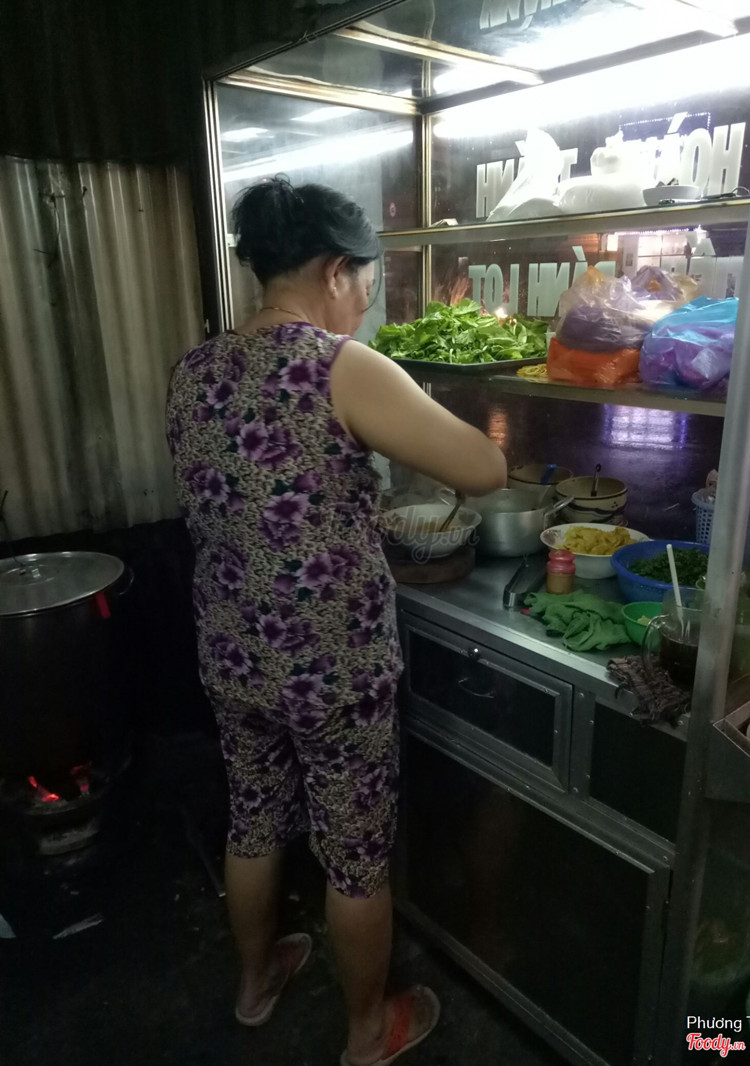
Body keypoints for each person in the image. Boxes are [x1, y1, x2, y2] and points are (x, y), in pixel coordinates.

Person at [166, 176, 506, 1066]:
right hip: (332, 666)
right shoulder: (337, 365)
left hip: (233, 652)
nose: (364, 303)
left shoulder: (194, 370)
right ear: (333, 271)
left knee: (252, 821)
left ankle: (255, 984)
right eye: (366, 284)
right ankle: (367, 1032)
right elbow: (484, 469)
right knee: (355, 854)